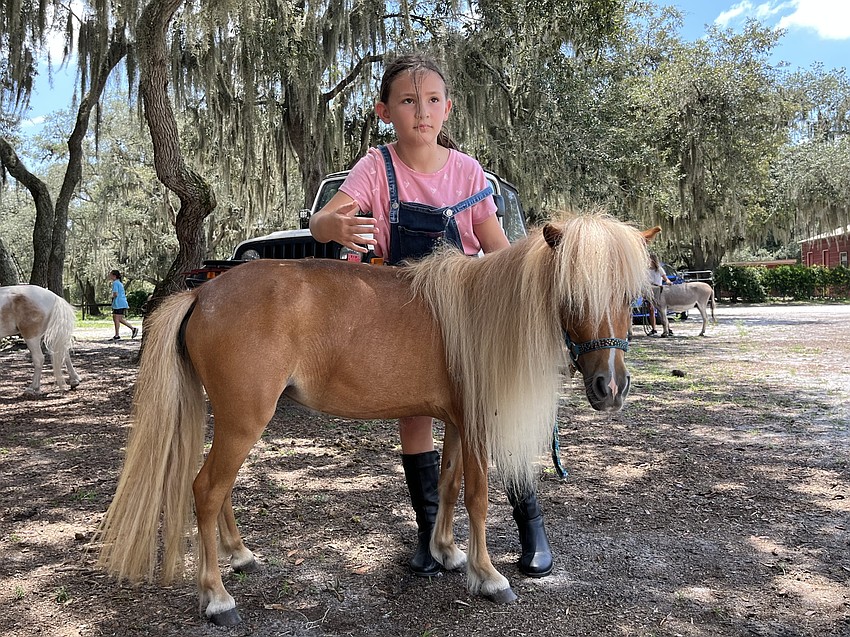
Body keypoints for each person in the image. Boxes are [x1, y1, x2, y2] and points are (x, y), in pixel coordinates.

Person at [309, 53, 553, 578]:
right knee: (415, 420)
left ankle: (530, 520)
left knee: (493, 415)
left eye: (433, 100)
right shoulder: (377, 166)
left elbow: (498, 249)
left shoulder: (468, 171)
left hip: (468, 318)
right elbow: (323, 220)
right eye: (409, 100)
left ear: (448, 109)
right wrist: (335, 228)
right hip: (407, 321)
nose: (422, 110)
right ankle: (431, 533)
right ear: (384, 111)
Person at [108, 270, 138, 341]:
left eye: (110, 275)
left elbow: (115, 294)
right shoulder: (119, 283)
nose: (109, 276)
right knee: (117, 318)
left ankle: (120, 333)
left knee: (117, 318)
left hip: (119, 303)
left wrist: (111, 297)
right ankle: (120, 333)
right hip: (121, 302)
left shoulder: (115, 283)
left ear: (114, 276)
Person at [647, 253, 671, 335]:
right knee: (651, 309)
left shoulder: (659, 269)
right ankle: (654, 328)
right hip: (650, 290)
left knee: (662, 310)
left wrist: (668, 282)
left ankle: (668, 328)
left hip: (659, 291)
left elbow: (665, 278)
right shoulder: (646, 270)